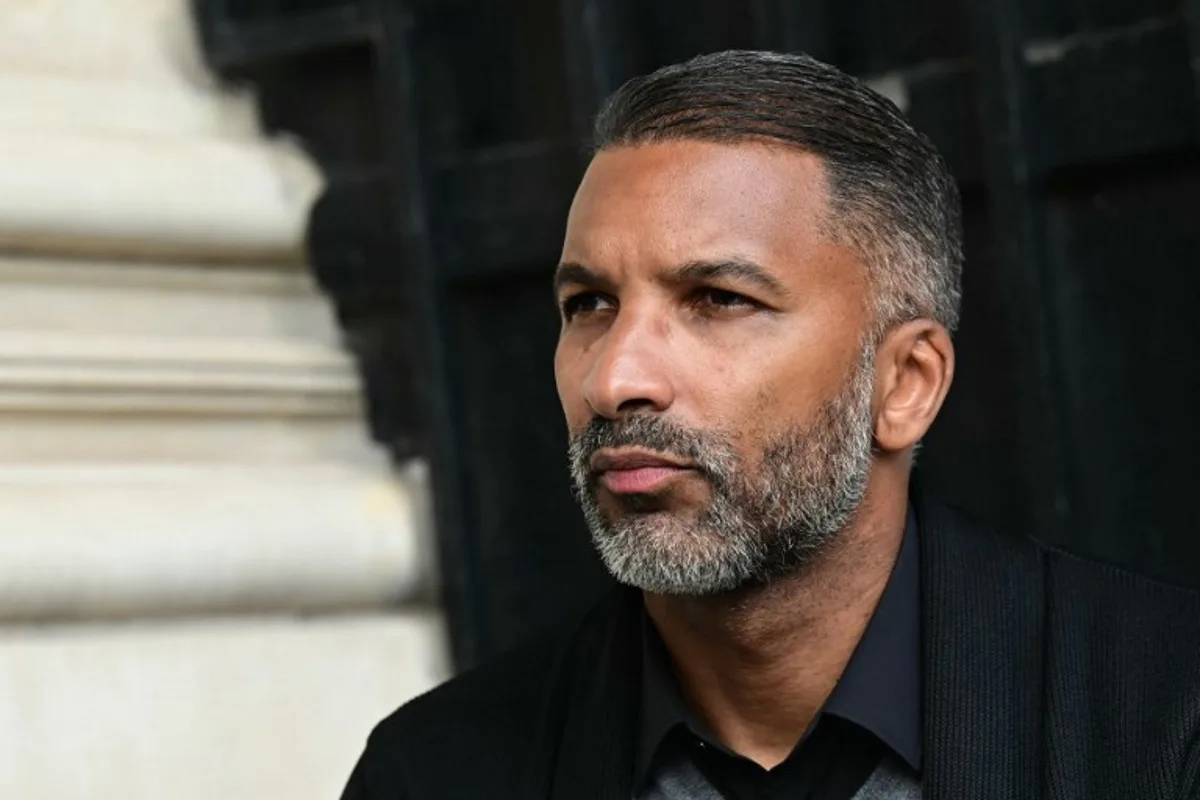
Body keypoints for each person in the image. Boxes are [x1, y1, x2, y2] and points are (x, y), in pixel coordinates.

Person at [340, 50, 1200, 800]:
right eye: (589, 304)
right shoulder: (437, 771)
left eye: (719, 300)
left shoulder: (1162, 720)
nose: (615, 379)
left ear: (905, 383)